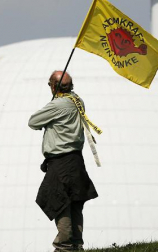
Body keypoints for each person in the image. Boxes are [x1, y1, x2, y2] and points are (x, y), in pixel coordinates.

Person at [28, 70, 98, 252]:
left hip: (60, 162)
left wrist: (52, 105)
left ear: (53, 86)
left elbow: (33, 121)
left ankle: (64, 246)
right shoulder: (77, 101)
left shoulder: (57, 105)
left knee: (60, 202)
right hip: (76, 160)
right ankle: (77, 244)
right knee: (75, 202)